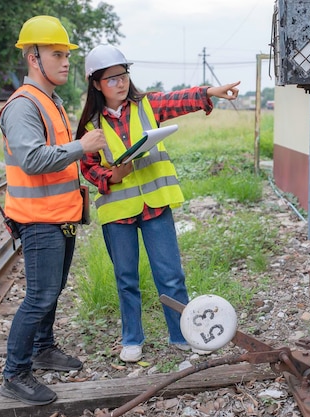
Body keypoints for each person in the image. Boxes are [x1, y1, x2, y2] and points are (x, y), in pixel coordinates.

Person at [76, 44, 239, 363]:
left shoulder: (146, 106)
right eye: (111, 79)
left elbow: (182, 99)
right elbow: (88, 168)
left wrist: (212, 91)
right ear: (96, 84)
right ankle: (132, 339)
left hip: (155, 206)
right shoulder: (90, 126)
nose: (120, 83)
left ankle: (181, 334)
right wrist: (113, 176)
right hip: (118, 212)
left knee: (170, 274)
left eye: (123, 75)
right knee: (127, 279)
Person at [0, 16, 107, 405]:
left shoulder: (51, 101)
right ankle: (15, 374)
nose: (65, 61)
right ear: (32, 57)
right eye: (56, 54)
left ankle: (43, 348)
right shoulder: (23, 106)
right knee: (39, 297)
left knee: (53, 290)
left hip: (60, 215)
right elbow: (32, 160)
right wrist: (83, 146)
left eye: (66, 54)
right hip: (38, 219)